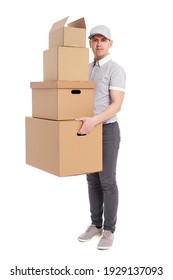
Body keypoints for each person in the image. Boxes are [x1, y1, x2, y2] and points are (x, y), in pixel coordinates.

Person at [77, 25, 126, 250]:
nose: (98, 44)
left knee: (107, 181)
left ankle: (109, 229)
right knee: (92, 180)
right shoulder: (85, 68)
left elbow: (116, 105)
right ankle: (96, 224)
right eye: (94, 40)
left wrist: (94, 122)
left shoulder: (115, 70)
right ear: (90, 44)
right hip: (88, 129)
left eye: (103, 40)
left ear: (110, 44)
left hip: (106, 131)